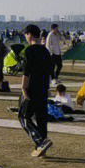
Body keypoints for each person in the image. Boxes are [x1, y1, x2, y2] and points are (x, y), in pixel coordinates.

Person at [19, 24, 53, 157]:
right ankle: (41, 148)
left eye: (25, 35)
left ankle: (40, 141)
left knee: (24, 116)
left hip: (32, 87)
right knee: (41, 118)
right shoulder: (45, 51)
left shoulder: (29, 51)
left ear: (29, 34)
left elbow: (26, 71)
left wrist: (23, 87)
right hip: (43, 87)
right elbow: (50, 70)